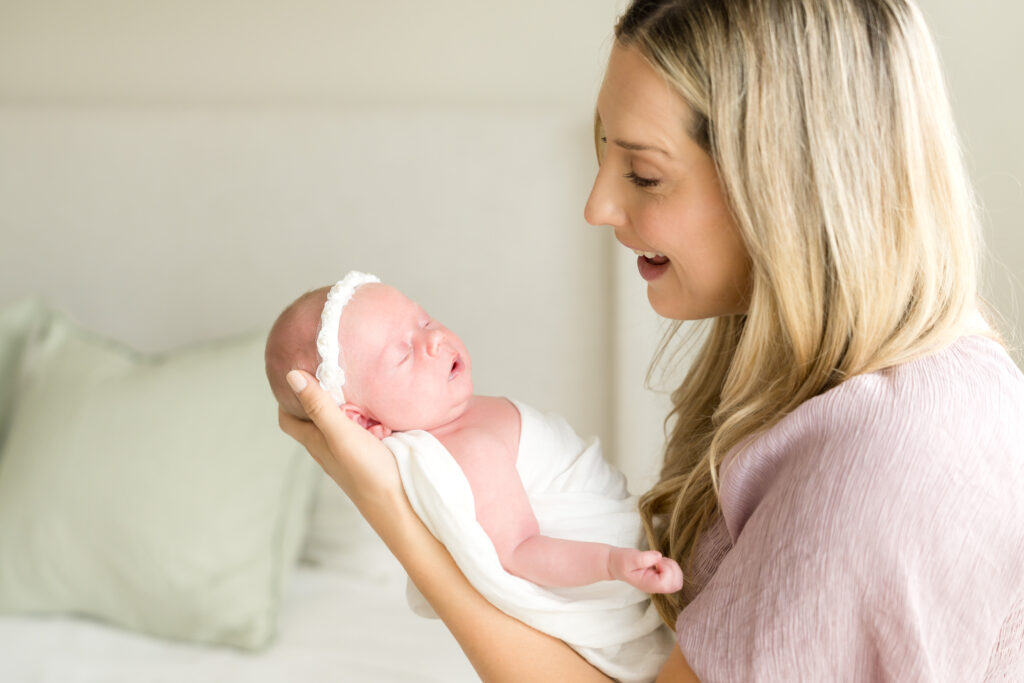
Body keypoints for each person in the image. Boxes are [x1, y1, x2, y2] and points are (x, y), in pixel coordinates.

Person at [277, 0, 1024, 680]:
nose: (597, 205)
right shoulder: (878, 391)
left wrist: (396, 512)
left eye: (643, 172)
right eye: (604, 153)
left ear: (787, 186)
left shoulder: (882, 461)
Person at [266, 273, 679, 682]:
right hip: (609, 579)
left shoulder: (462, 418)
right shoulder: (468, 451)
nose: (434, 339)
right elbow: (520, 552)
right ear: (362, 421)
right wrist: (610, 562)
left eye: (423, 320)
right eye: (404, 354)